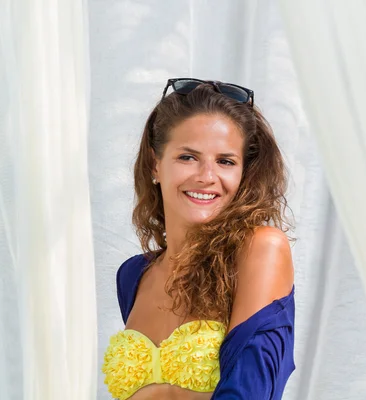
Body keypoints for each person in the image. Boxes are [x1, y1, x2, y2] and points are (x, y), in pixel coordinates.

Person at [101, 78, 296, 400]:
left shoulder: (260, 249)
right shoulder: (133, 275)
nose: (206, 176)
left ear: (244, 173)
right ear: (155, 164)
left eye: (225, 161)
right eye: (188, 157)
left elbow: (250, 391)